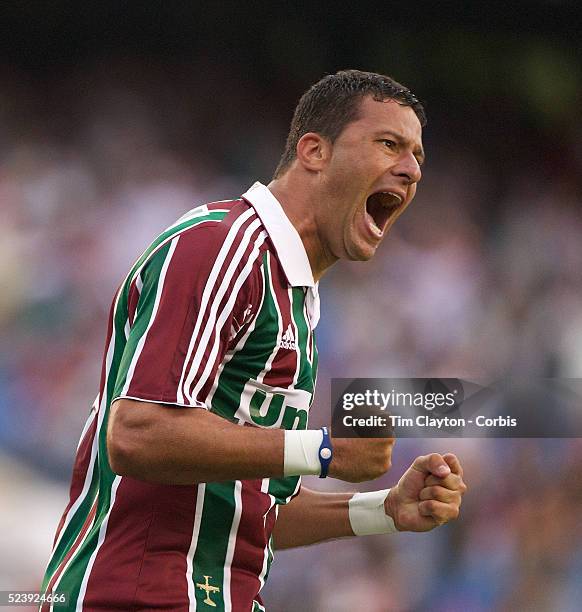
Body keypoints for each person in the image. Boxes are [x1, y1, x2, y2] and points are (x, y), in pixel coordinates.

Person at [40, 69, 467, 611]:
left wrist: (383, 510)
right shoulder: (223, 248)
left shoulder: (296, 300)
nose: (410, 171)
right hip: (135, 596)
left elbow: (247, 509)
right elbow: (137, 433)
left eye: (418, 159)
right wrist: (325, 449)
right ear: (314, 151)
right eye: (390, 144)